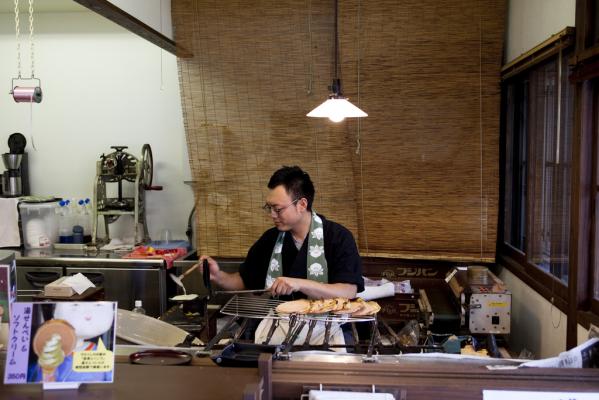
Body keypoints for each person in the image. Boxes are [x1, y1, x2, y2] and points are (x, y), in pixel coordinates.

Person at [199, 165, 364, 300]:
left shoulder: (338, 237)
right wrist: (218, 276)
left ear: (302, 204)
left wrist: (299, 284)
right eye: (269, 208)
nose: (272, 215)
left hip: (327, 326)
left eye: (278, 209)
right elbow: (244, 281)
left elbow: (348, 291)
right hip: (279, 324)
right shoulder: (270, 239)